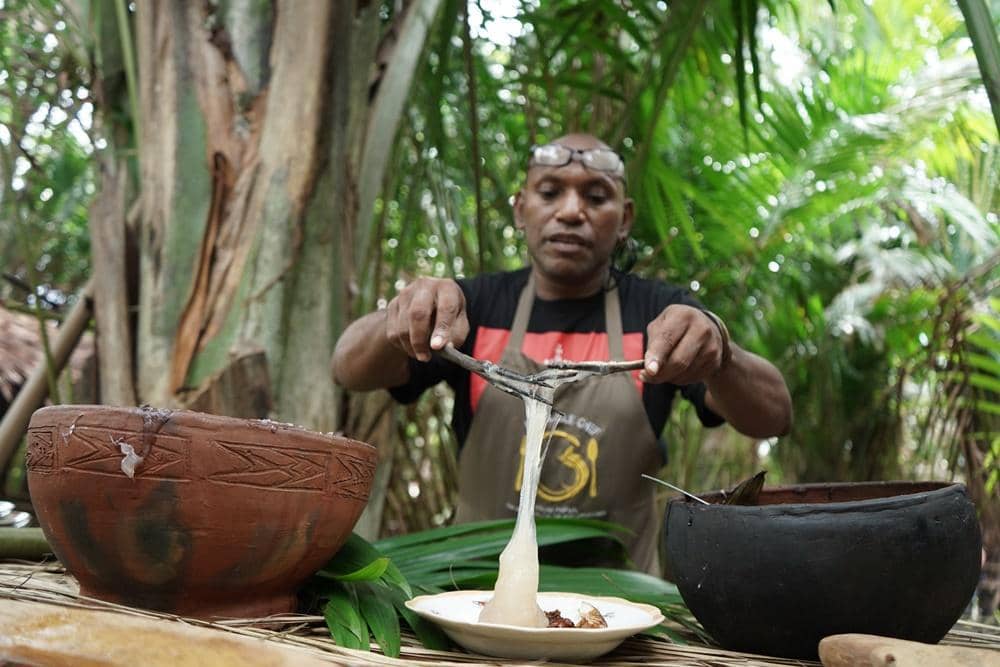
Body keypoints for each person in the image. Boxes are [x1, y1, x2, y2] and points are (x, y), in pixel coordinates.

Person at [333, 133, 792, 574]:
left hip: (617, 607)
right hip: (471, 596)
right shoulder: (473, 307)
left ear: (625, 218)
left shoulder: (658, 315)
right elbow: (348, 367)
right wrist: (404, 313)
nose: (571, 212)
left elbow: (774, 417)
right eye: (550, 192)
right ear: (520, 208)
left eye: (596, 197)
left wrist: (721, 353)